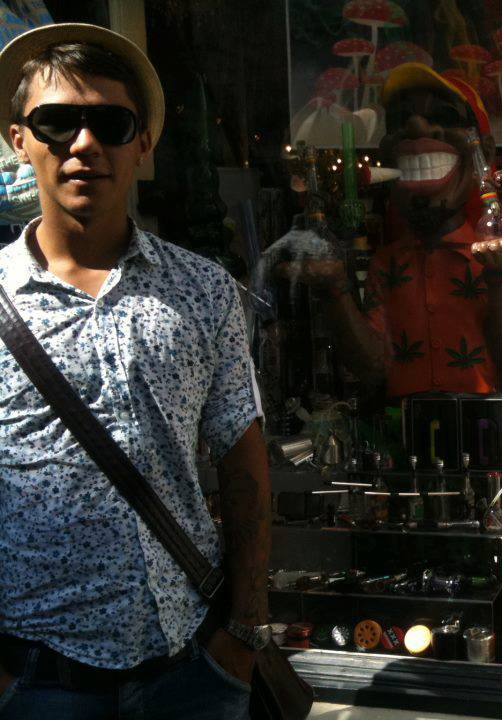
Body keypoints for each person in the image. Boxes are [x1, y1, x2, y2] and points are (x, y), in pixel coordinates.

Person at [0, 23, 271, 720]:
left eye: (111, 124)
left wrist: (243, 633)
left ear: (142, 144)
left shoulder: (203, 291)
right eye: (57, 122)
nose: (84, 144)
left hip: (192, 669)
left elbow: (243, 464)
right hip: (35, 678)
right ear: (18, 138)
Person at [277, 63, 502, 398]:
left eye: (443, 116)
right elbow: (374, 369)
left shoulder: (489, 256)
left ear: (482, 154)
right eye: (400, 120)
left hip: (481, 422)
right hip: (404, 425)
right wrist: (336, 290)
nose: (416, 127)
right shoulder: (387, 264)